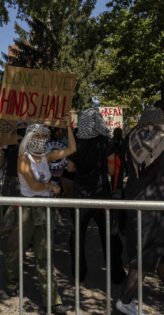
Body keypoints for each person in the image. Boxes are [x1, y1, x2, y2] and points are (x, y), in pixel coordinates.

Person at [5, 118, 76, 314]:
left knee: (44, 254)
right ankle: (11, 282)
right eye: (38, 135)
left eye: (45, 135)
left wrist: (68, 126)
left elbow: (71, 149)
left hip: (44, 209)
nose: (43, 138)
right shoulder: (23, 159)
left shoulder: (46, 156)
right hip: (26, 209)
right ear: (29, 137)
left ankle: (53, 299)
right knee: (15, 248)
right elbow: (34, 185)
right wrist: (51, 186)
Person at [67, 108, 126, 285]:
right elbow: (110, 169)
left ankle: (79, 274)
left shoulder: (76, 143)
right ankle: (116, 274)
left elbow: (70, 168)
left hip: (80, 196)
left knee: (77, 237)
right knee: (109, 237)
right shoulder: (107, 142)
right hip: (101, 195)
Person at [115, 106, 164, 315]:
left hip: (137, 204)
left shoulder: (131, 138)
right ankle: (125, 301)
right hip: (152, 207)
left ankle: (126, 301)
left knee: (153, 254)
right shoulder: (160, 139)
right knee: (145, 257)